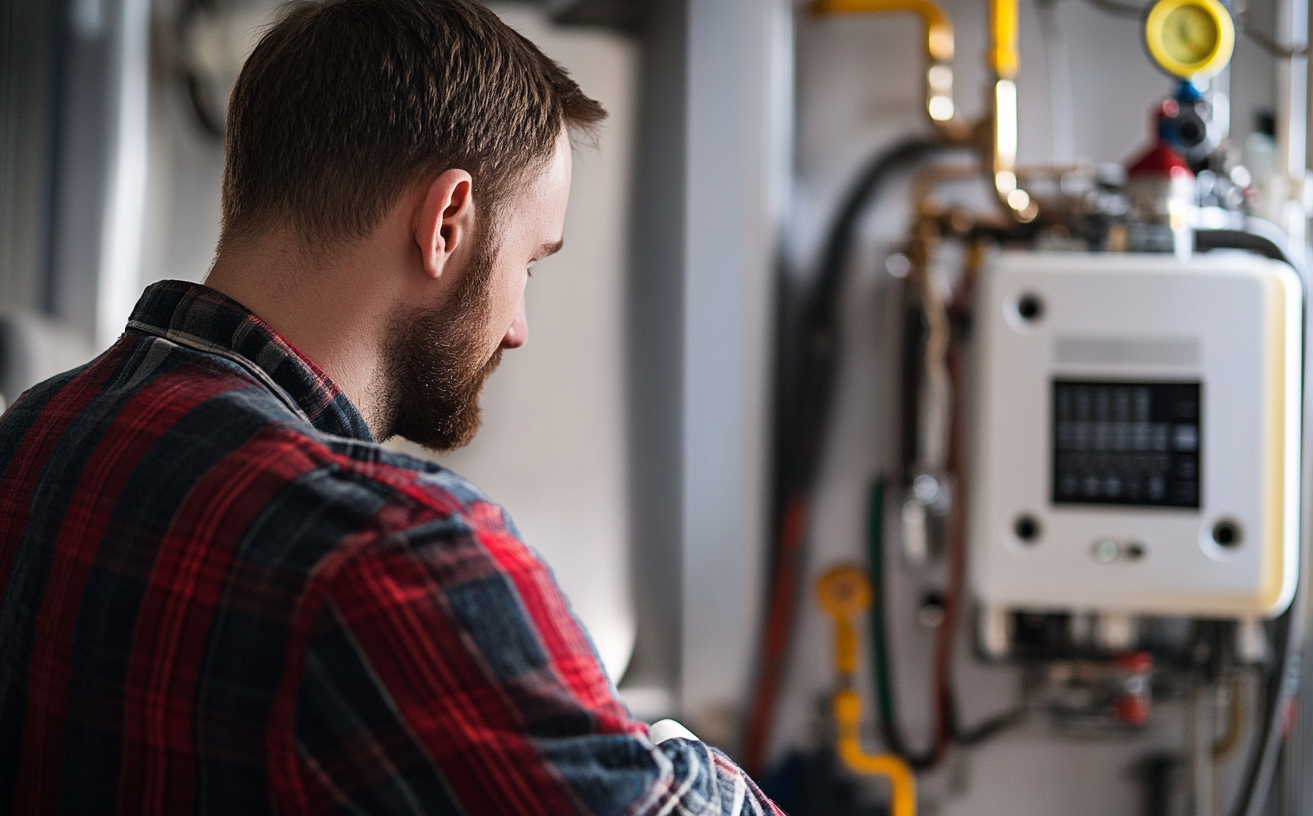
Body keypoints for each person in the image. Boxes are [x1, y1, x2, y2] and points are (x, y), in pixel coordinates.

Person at [0, 1, 783, 814]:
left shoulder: (34, 431)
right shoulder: (393, 557)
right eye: (529, 263)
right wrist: (654, 746)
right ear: (447, 222)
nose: (518, 330)